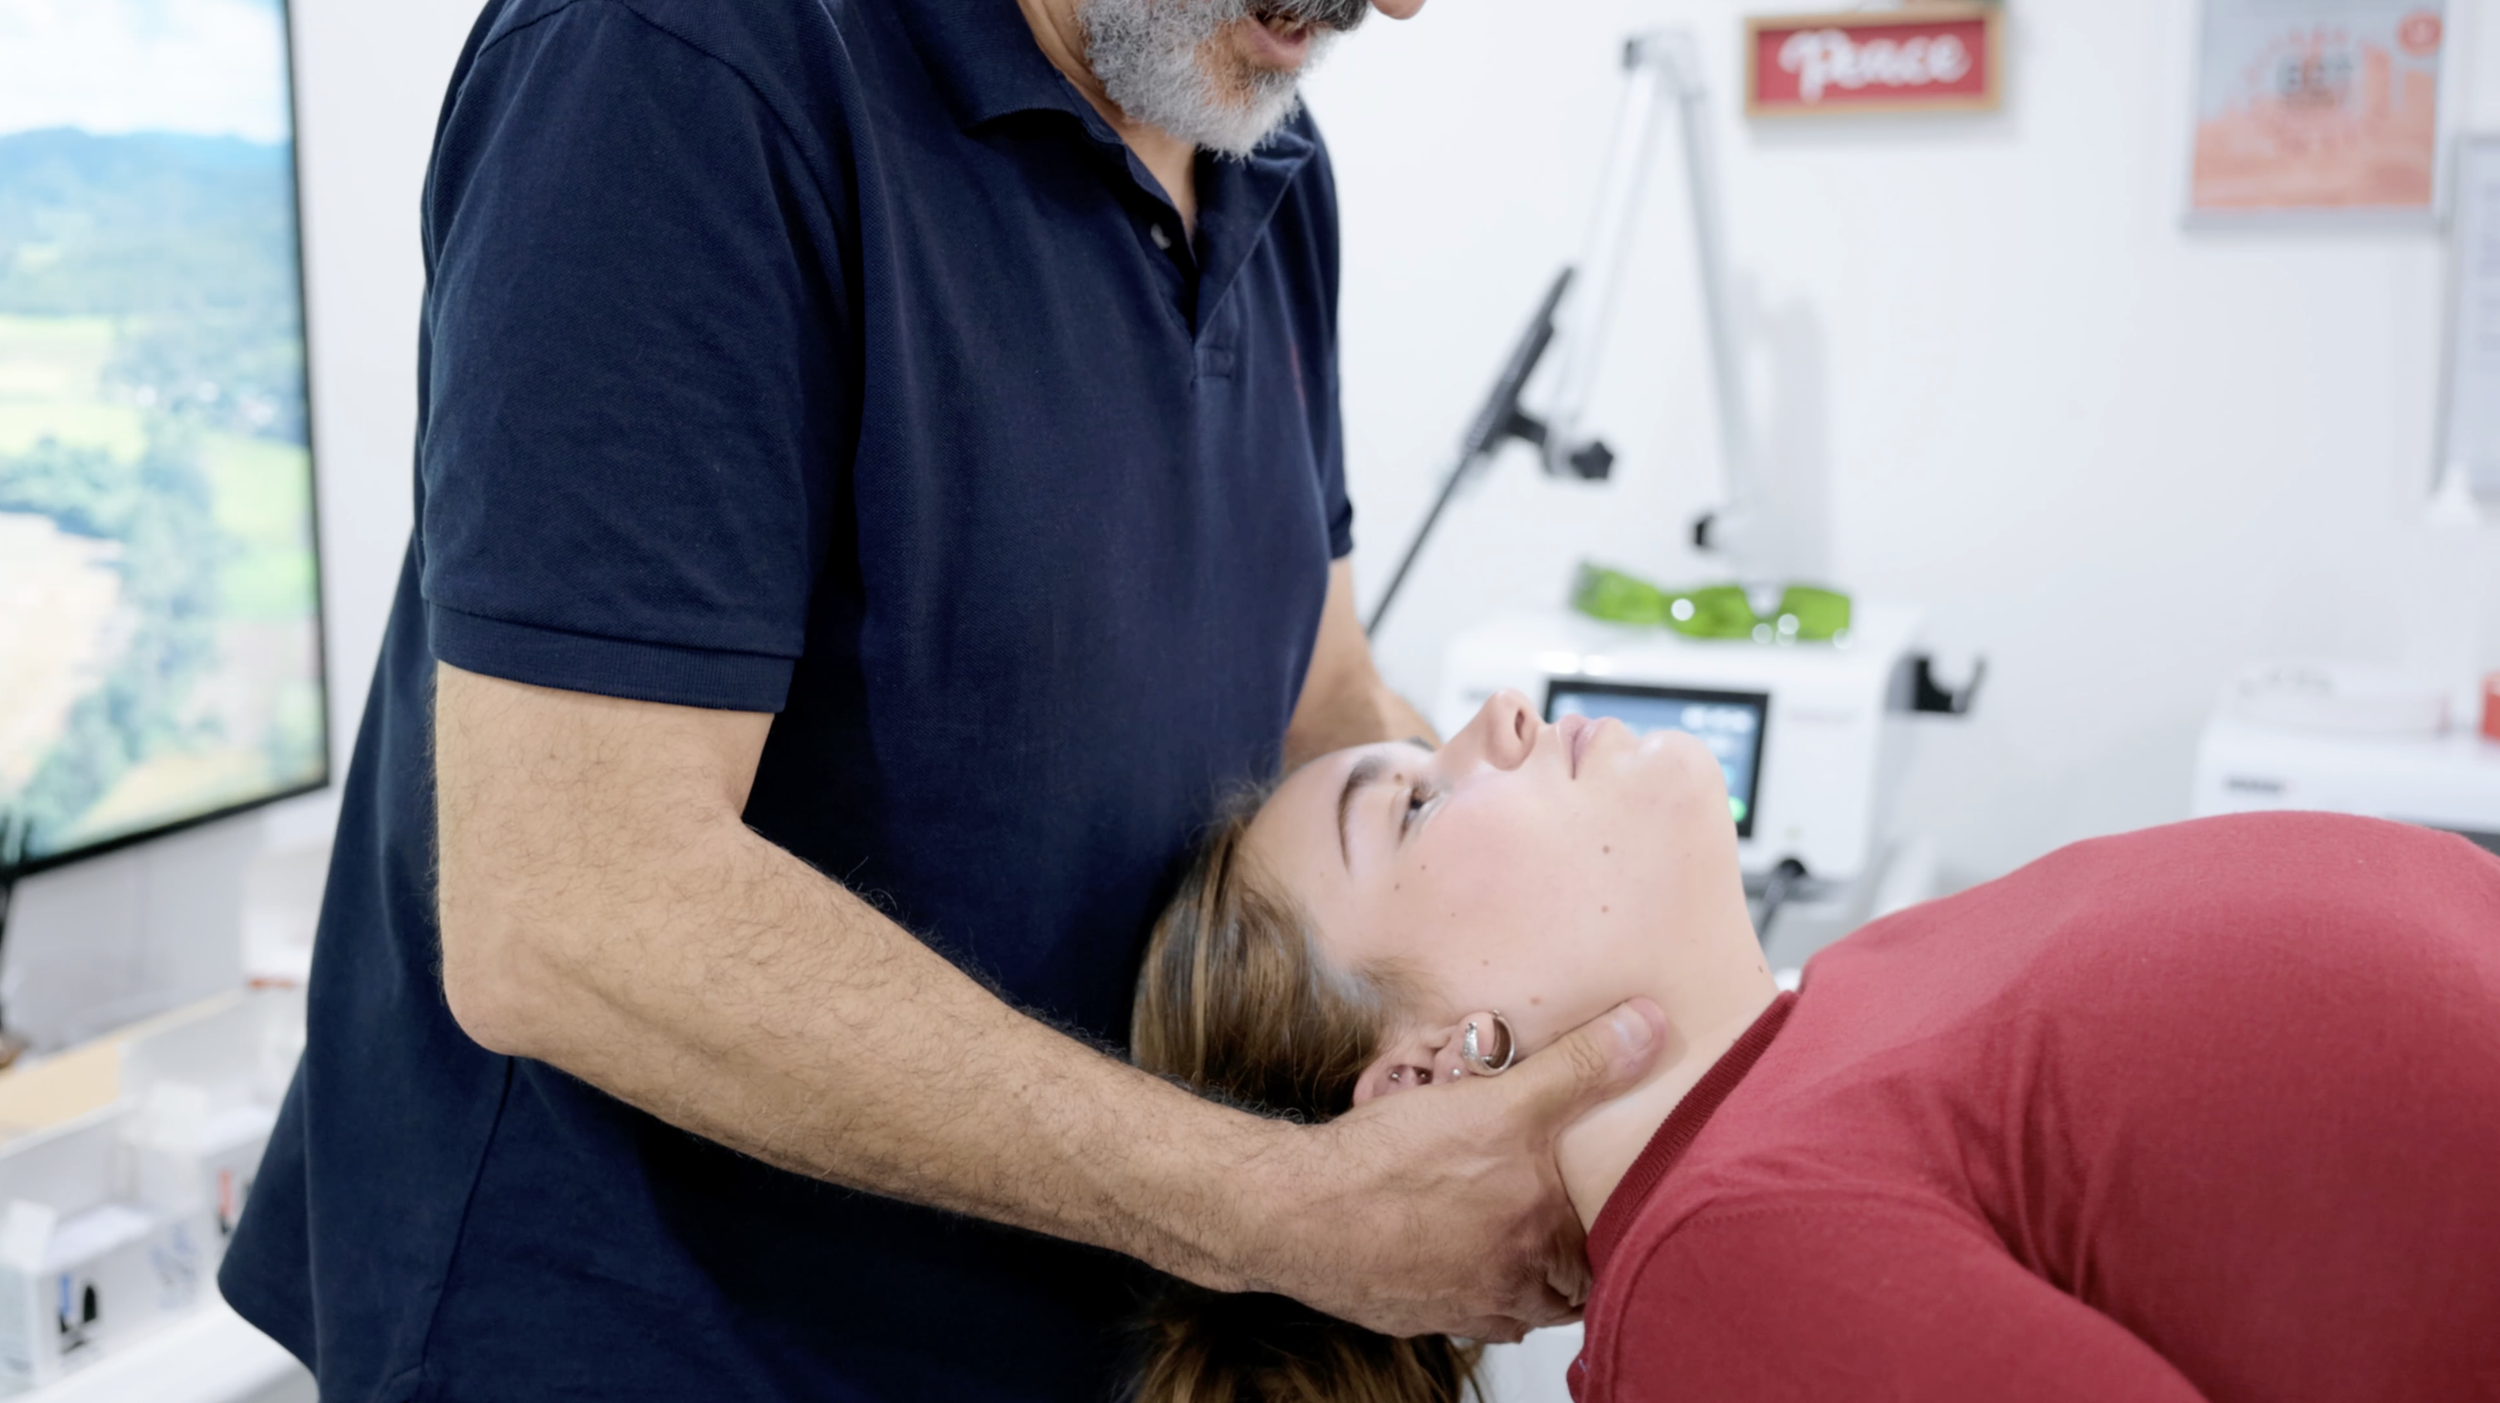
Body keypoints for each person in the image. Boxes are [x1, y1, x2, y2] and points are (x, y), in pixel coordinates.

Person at [216, 2, 1674, 1399]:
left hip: (1057, 1317)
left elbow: (1319, 679)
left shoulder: (1254, 147)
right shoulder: (679, 65)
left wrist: (1560, 973)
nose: (1398, 8)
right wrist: (1284, 1204)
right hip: (654, 1340)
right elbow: (571, 908)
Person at [1130, 690, 2500, 1402]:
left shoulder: (1838, 1015)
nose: (1497, 716)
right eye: (1416, 807)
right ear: (1429, 1078)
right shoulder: (1723, 1281)